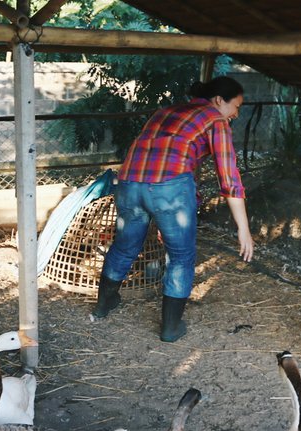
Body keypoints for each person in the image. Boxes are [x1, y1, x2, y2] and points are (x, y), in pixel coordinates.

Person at [91, 76, 255, 342]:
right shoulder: (215, 120)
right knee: (180, 257)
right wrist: (244, 229)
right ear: (218, 101)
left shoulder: (165, 111)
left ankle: (103, 305)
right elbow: (229, 177)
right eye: (235, 106)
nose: (236, 113)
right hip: (169, 188)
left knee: (124, 245)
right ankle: (170, 329)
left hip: (129, 182)